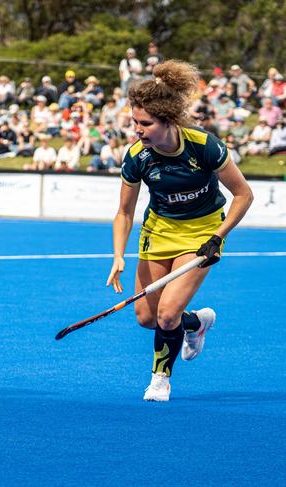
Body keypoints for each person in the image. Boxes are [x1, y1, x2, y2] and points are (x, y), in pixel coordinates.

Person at [107, 60, 253, 402]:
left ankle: (160, 379)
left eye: (145, 124)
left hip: (201, 233)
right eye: (134, 122)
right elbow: (124, 211)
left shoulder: (204, 146)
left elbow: (243, 195)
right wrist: (117, 255)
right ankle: (196, 323)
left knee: (166, 314)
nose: (137, 130)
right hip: (158, 232)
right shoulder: (136, 156)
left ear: (167, 121)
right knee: (147, 318)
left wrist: (218, 237)